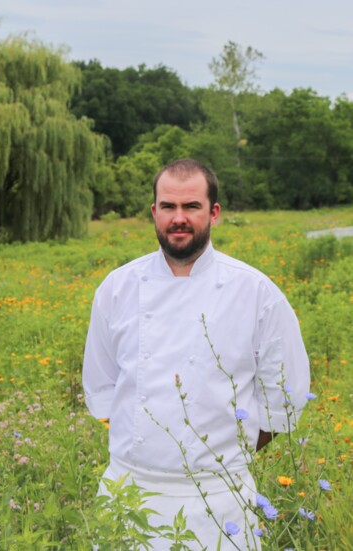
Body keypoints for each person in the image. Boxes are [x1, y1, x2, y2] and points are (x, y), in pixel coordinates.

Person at [82, 158, 310, 550]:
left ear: (214, 213)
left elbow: (282, 403)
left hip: (218, 501)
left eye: (191, 207)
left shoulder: (256, 293)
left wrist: (223, 460)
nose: (178, 218)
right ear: (154, 212)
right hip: (129, 495)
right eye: (168, 206)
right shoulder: (117, 289)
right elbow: (103, 390)